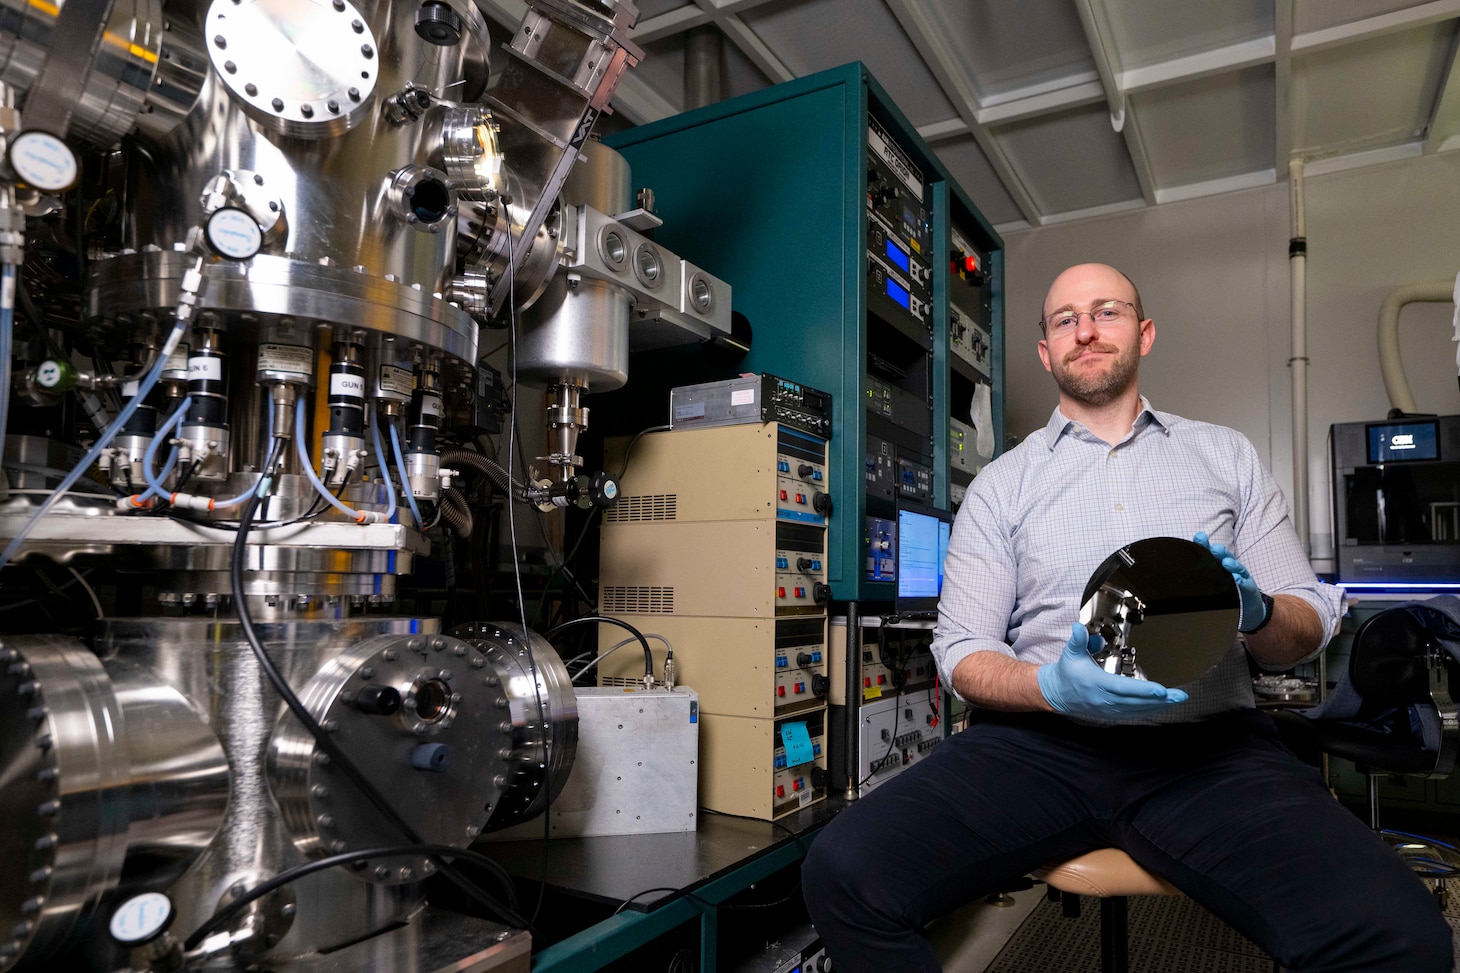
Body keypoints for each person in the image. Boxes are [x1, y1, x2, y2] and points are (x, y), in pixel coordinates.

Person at [802, 263, 1453, 972]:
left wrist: (1260, 611)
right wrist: (1053, 687)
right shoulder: (1000, 487)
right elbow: (961, 650)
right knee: (844, 871)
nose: (1085, 328)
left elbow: (1303, 624)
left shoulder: (1225, 455)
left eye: (1106, 311)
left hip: (1207, 753)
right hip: (1036, 747)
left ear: (1143, 333)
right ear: (1048, 352)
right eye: (1064, 319)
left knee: (1401, 936)